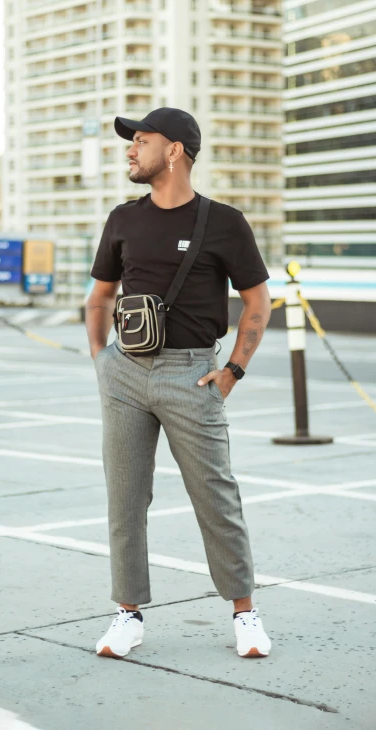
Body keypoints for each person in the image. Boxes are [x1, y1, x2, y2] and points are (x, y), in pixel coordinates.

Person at [85, 107, 272, 659]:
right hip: (124, 373)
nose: (130, 149)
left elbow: (257, 299)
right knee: (125, 498)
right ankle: (128, 614)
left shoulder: (224, 221)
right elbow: (99, 296)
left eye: (141, 140)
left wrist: (232, 370)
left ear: (174, 151)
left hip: (192, 372)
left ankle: (245, 613)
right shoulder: (122, 218)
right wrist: (103, 361)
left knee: (216, 496)